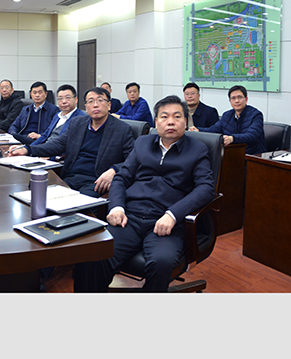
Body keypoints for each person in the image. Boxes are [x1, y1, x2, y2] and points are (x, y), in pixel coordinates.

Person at [74, 95, 215, 292]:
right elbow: (121, 178)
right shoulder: (142, 143)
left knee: (161, 263)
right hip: (129, 217)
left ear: (185, 121)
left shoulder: (197, 149)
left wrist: (172, 215)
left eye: (177, 117)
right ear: (156, 122)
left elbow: (206, 187)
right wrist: (116, 207)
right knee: (92, 253)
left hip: (166, 222)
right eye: (164, 117)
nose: (170, 122)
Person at [9, 87, 134, 198]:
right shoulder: (77, 123)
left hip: (96, 181)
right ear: (86, 106)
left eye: (100, 100)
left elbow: (133, 160)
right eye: (91, 101)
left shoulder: (122, 129)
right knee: (37, 191)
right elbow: (57, 145)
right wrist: (27, 150)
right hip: (71, 177)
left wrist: (114, 170)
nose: (95, 105)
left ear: (109, 105)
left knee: (77, 204)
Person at [192, 84, 265, 154]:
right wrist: (198, 130)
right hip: (232, 154)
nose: (236, 101)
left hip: (253, 156)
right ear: (230, 101)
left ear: (246, 99)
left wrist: (232, 139)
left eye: (240, 97)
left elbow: (251, 136)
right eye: (233, 98)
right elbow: (213, 130)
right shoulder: (227, 115)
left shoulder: (256, 115)